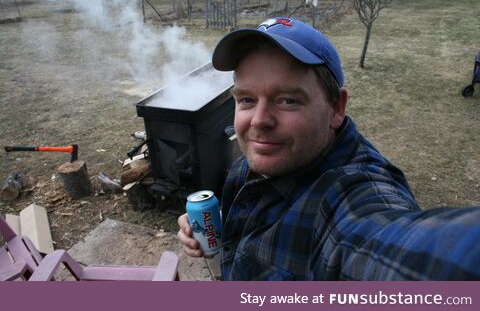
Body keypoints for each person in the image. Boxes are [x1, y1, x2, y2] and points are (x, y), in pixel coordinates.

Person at [177, 17, 480, 280]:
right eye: (246, 100)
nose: (258, 121)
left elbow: (391, 250)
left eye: (287, 100)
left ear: (336, 107)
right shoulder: (264, 158)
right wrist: (217, 227)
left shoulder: (348, 197)